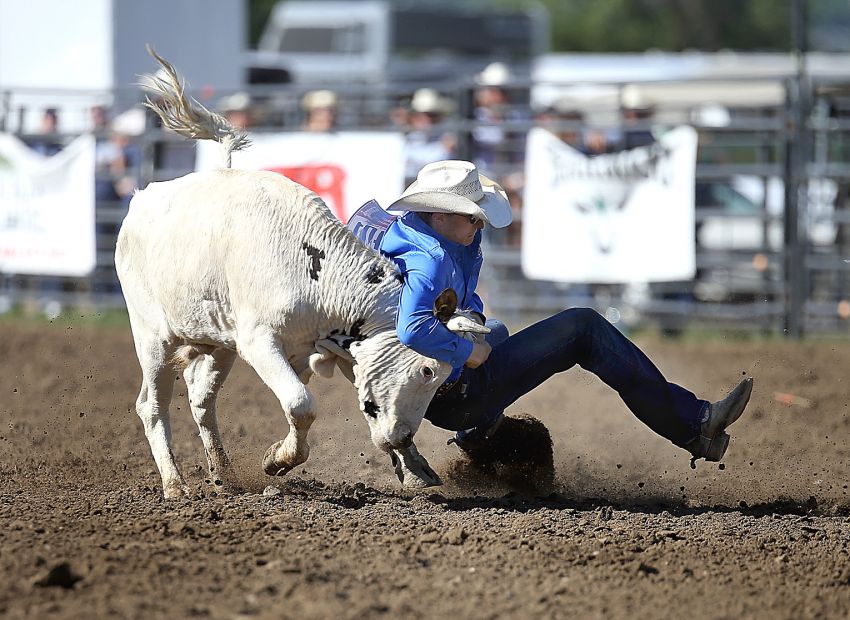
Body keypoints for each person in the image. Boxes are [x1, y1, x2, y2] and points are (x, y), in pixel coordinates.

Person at [378, 159, 753, 462]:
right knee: (583, 327)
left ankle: (477, 435)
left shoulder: (426, 235)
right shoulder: (431, 258)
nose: (479, 222)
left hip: (431, 388)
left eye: (478, 214)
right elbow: (411, 328)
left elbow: (453, 301)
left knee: (496, 329)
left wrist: (470, 320)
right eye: (470, 215)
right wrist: (468, 351)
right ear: (439, 215)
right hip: (452, 395)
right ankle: (696, 425)